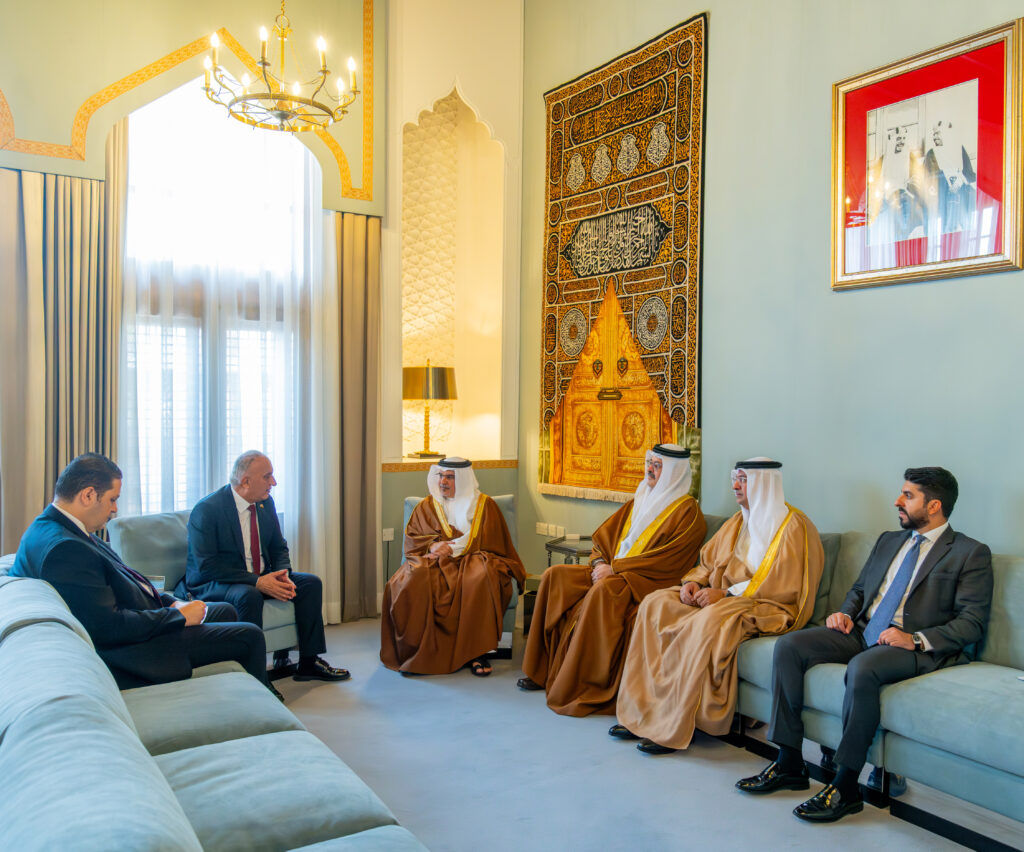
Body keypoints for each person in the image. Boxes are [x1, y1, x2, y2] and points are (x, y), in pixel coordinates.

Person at [737, 467, 992, 824]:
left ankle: (845, 785)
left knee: (864, 668)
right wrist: (845, 613)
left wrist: (914, 639)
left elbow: (972, 622)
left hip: (914, 646)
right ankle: (789, 762)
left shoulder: (969, 552)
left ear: (934, 506)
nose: (897, 501)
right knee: (790, 647)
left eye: (908, 496)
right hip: (863, 631)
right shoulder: (889, 540)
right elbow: (860, 589)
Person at [613, 458, 824, 754]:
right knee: (655, 603)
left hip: (764, 605)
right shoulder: (737, 521)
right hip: (719, 597)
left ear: (764, 483)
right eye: (735, 478)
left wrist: (725, 594)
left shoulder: (794, 527)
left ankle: (674, 724)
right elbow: (707, 563)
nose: (735, 485)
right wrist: (694, 583)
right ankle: (641, 712)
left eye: (743, 480)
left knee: (707, 621)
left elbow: (782, 587)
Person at [11, 453, 271, 691]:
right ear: (88, 495)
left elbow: (127, 580)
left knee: (224, 610)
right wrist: (177, 616)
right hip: (135, 649)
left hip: (144, 619)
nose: (115, 509)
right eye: (112, 499)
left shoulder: (61, 529)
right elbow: (109, 627)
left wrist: (171, 602)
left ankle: (226, 690)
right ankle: (260, 705)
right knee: (250, 636)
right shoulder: (65, 549)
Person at [517, 443, 706, 716]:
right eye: (649, 463)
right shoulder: (641, 497)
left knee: (603, 591)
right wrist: (599, 562)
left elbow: (666, 561)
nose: (650, 470)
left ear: (674, 472)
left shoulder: (688, 513)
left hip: (641, 582)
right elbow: (604, 539)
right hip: (612, 572)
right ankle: (540, 671)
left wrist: (615, 569)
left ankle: (580, 685)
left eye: (658, 466)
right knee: (553, 576)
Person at [184, 450, 350, 683]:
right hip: (216, 582)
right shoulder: (208, 510)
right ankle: (255, 675)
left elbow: (278, 547)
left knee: (310, 584)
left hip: (259, 577)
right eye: (267, 476)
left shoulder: (264, 503)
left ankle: (309, 663)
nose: (274, 482)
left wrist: (283, 575)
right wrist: (258, 582)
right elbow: (207, 566)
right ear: (245, 481)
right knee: (249, 595)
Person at [380, 457, 526, 676]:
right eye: (441, 476)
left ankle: (477, 652)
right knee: (413, 577)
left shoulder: (485, 505)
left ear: (463, 479)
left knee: (481, 576)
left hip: (474, 555)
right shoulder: (427, 505)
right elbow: (412, 539)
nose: (442, 482)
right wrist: (432, 545)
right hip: (434, 558)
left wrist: (454, 548)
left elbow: (494, 541)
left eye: (449, 477)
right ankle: (417, 652)